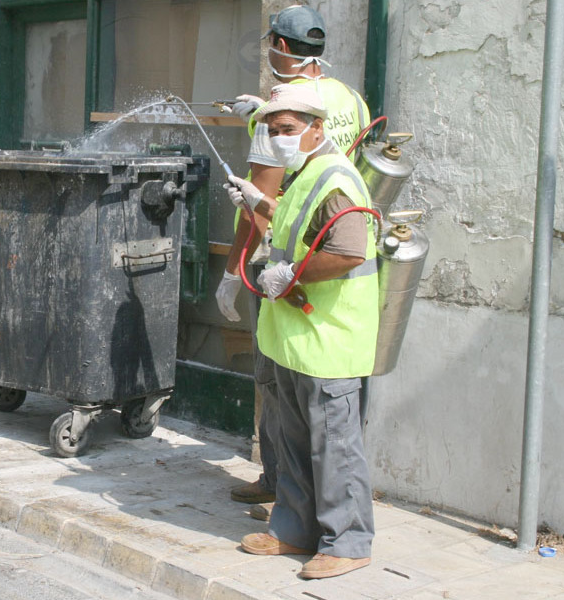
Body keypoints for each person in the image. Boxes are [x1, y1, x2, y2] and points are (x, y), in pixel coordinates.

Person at [216, 4, 370, 520]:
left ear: (280, 48)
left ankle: (281, 488)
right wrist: (261, 108)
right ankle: (296, 508)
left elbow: (264, 186)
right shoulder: (349, 100)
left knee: (288, 396)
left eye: (280, 126)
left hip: (299, 271)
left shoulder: (283, 112)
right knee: (319, 414)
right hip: (325, 263)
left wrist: (232, 269)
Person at [225, 83, 377, 579]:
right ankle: (294, 530)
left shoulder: (336, 180)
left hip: (329, 338)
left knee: (334, 447)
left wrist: (290, 274)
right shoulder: (305, 172)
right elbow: (294, 230)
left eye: (287, 129)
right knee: (293, 442)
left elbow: (349, 250)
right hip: (294, 337)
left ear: (316, 129)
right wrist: (256, 201)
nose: (279, 138)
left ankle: (348, 543)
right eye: (272, 131)